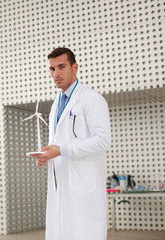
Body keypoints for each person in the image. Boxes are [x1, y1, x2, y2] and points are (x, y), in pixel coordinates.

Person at [30, 48, 111, 240]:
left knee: (83, 233)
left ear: (75, 67)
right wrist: (46, 156)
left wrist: (61, 151)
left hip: (83, 185)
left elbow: (103, 140)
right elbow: (58, 143)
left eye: (61, 67)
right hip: (61, 181)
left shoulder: (92, 99)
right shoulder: (56, 103)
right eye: (51, 69)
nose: (56, 74)